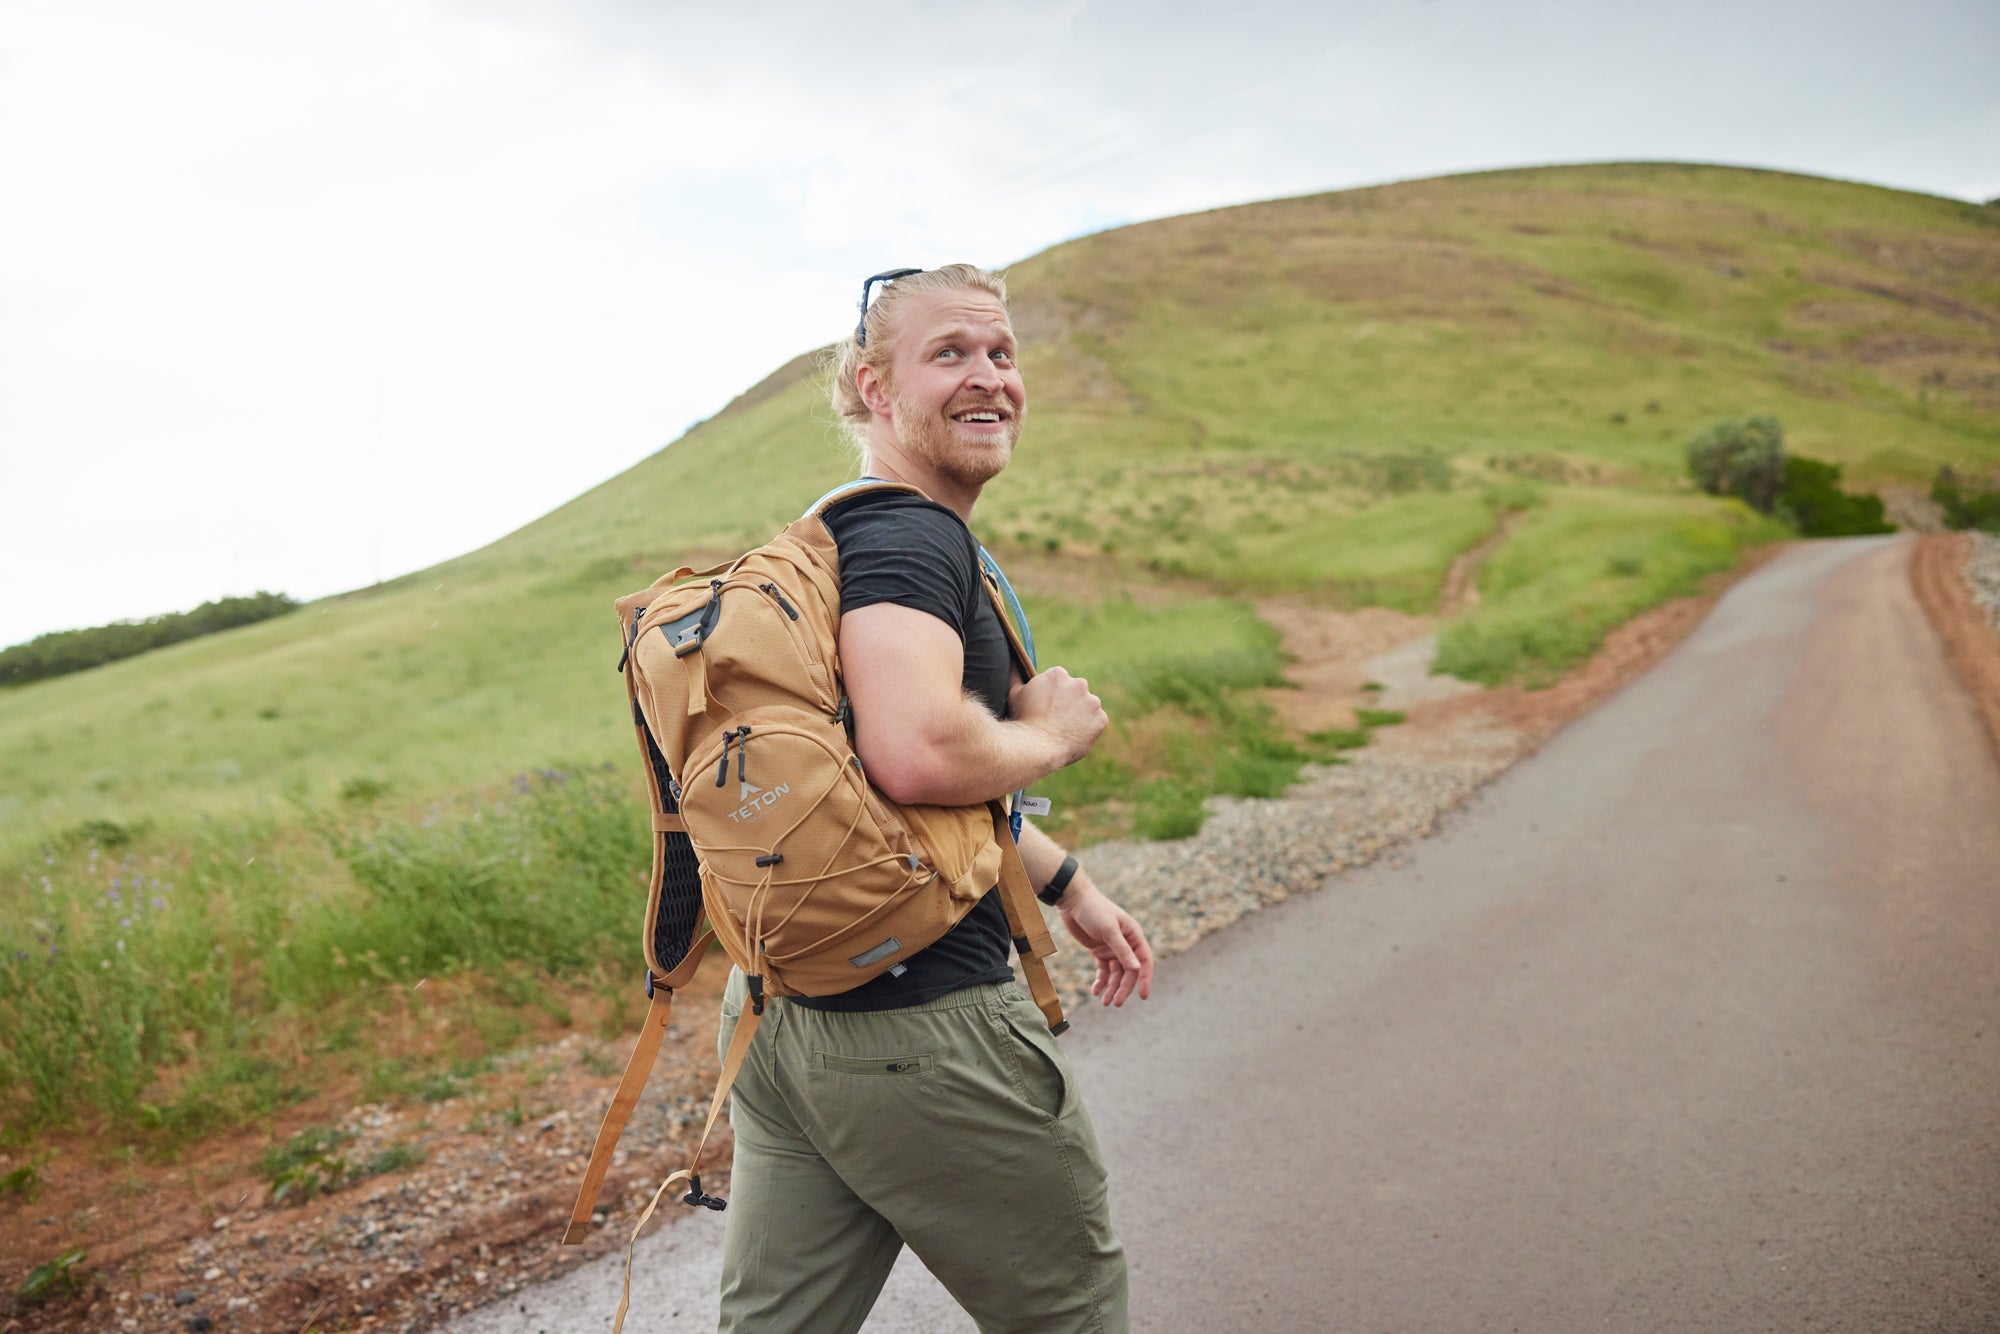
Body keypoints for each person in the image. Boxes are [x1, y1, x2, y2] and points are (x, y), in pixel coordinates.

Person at [712, 263, 1155, 1334]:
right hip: (924, 1027)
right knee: (1072, 1312)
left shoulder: (831, 534)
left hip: (780, 1015)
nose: (988, 376)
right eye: (948, 353)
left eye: (1001, 352)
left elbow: (872, 790)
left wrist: (1065, 882)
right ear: (874, 388)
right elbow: (914, 753)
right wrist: (1051, 736)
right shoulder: (914, 537)